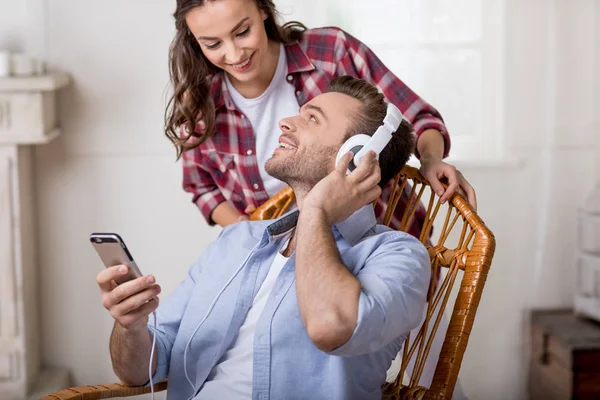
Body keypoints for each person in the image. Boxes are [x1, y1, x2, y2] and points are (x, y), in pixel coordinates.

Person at [99, 77, 431, 399]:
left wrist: (316, 209)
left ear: (358, 156)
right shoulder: (236, 240)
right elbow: (138, 371)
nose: (286, 122)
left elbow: (329, 327)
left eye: (312, 119)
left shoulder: (398, 255)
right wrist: (131, 327)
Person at [165, 0, 477, 231]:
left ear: (263, 9)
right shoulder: (201, 104)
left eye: (243, 32)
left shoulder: (332, 52)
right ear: (195, 40)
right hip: (285, 265)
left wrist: (430, 159)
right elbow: (201, 187)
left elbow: (416, 118)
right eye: (213, 44)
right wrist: (246, 233)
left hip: (382, 236)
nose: (234, 55)